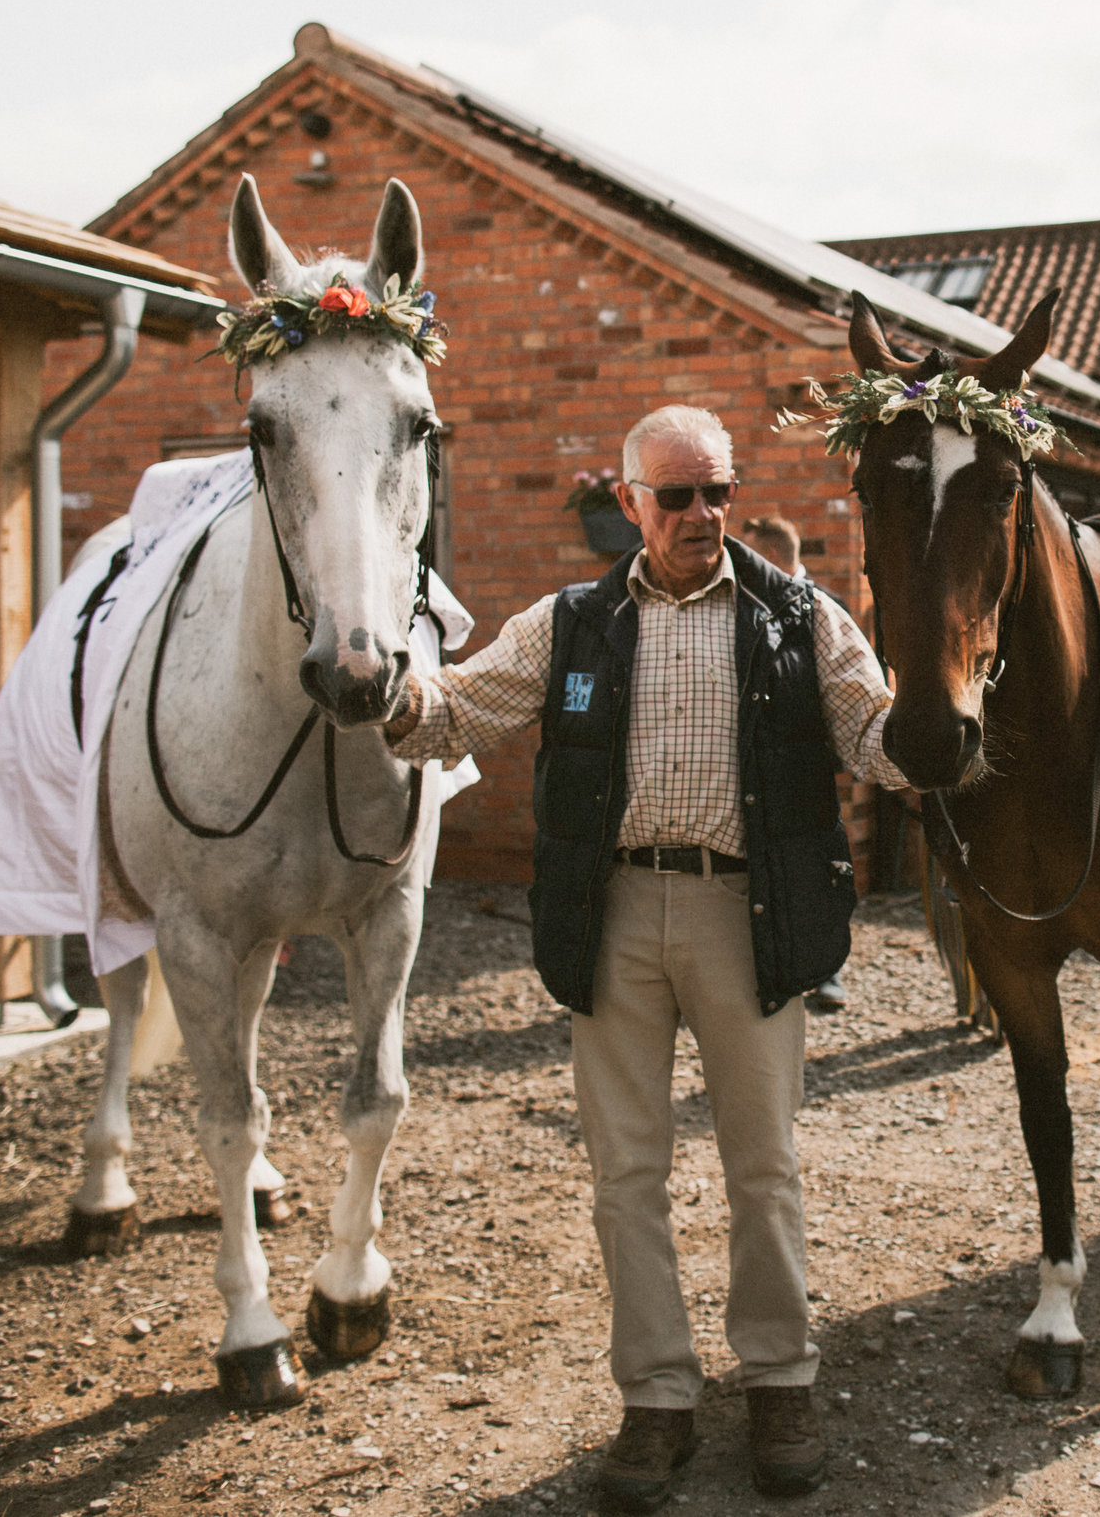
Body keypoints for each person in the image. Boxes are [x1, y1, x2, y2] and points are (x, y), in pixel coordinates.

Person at [386, 405, 907, 1509]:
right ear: (627, 504)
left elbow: (874, 733)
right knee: (627, 1175)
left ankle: (779, 1379)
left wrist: (949, 717)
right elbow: (460, 711)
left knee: (762, 1168)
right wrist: (380, 692)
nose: (702, 514)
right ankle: (657, 1397)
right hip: (612, 912)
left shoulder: (794, 613)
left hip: (746, 912)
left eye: (716, 490)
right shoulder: (569, 623)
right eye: (676, 495)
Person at [741, 516, 851, 1017]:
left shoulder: (827, 608)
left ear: (770, 558)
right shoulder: (745, 606)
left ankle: (825, 970)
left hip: (809, 761)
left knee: (813, 864)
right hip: (758, 762)